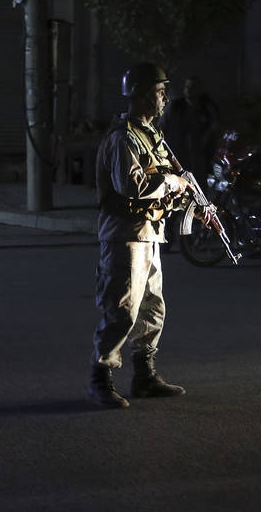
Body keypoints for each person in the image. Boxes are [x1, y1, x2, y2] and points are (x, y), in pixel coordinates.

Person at [88, 62, 191, 409]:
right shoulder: (122, 138)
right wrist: (173, 183)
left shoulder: (152, 136)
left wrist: (183, 195)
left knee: (151, 307)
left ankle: (145, 376)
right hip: (125, 235)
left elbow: (162, 183)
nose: (164, 100)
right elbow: (131, 185)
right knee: (122, 310)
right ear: (144, 95)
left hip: (150, 232)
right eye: (160, 93)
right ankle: (100, 379)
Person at [160, 75, 222, 184]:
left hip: (199, 159)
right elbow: (161, 128)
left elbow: (214, 131)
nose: (188, 89)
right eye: (187, 86)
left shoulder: (207, 109)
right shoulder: (175, 107)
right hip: (176, 157)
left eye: (193, 87)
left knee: (198, 189)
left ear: (200, 89)